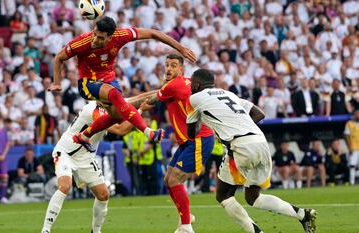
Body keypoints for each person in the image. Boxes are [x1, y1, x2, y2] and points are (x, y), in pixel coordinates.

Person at [186, 68, 316, 233]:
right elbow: (259, 114)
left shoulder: (194, 98)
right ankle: (302, 215)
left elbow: (191, 134)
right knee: (253, 197)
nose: (190, 86)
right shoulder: (229, 94)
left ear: (196, 84)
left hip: (240, 146)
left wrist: (204, 123)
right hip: (261, 142)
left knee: (223, 195)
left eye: (191, 83)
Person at [48, 16, 197, 149]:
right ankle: (148, 132)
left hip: (109, 80)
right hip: (88, 83)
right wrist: (57, 82)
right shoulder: (82, 42)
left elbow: (153, 33)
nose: (95, 39)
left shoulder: (121, 36)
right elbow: (58, 57)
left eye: (100, 37)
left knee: (117, 116)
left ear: (110, 36)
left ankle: (84, 135)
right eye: (95, 34)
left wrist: (181, 48)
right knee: (114, 95)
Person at [41, 93, 155, 233]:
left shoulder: (110, 103)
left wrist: (161, 92)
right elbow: (121, 130)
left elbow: (136, 99)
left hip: (86, 157)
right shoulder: (92, 109)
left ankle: (96, 231)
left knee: (103, 194)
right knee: (65, 186)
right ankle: (46, 230)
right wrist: (140, 111)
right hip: (66, 152)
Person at [146, 54, 215, 233]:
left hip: (198, 139)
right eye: (167, 65)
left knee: (175, 178)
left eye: (173, 65)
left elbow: (152, 99)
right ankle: (186, 216)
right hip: (188, 140)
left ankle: (186, 226)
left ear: (181, 69)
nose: (168, 69)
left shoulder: (174, 85)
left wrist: (125, 103)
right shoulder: (186, 81)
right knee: (168, 179)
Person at [345, 109, 359, 185]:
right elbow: (347, 135)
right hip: (354, 148)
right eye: (357, 113)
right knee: (352, 165)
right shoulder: (349, 124)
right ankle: (352, 182)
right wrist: (349, 147)